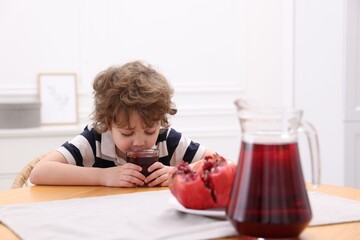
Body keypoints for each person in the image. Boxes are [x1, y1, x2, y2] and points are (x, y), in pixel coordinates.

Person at [30, 61, 214, 187]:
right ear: (108, 123)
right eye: (127, 133)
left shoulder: (168, 140)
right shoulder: (95, 140)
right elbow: (39, 172)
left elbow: (222, 164)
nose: (140, 142)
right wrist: (104, 176)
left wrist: (180, 172)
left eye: (150, 131)